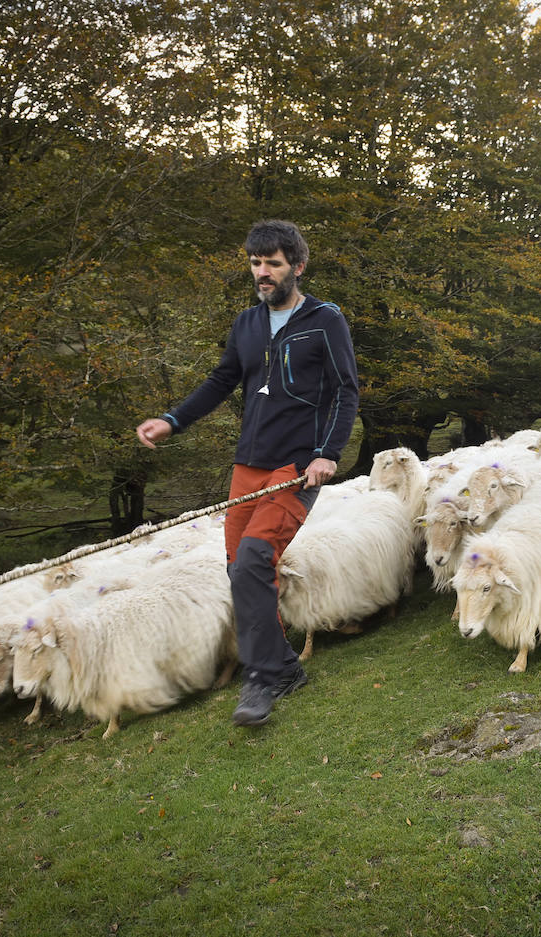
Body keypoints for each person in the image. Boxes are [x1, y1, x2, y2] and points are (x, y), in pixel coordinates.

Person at [135, 220, 359, 727]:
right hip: (248, 464)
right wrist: (173, 420)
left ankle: (262, 677)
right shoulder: (246, 324)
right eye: (256, 263)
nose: (262, 272)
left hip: (296, 466)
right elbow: (221, 381)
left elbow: (346, 390)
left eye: (273, 264)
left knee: (257, 556)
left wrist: (327, 453)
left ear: (297, 267)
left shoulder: (325, 320)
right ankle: (284, 666)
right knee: (240, 569)